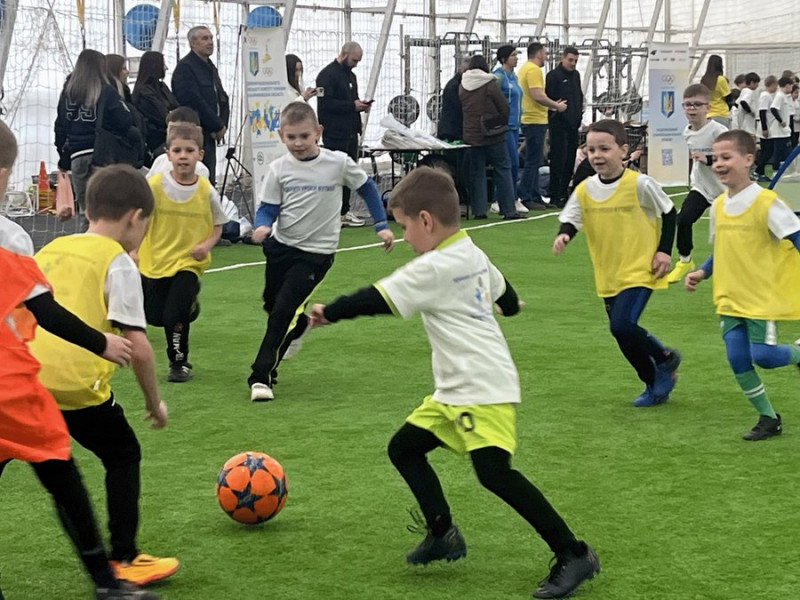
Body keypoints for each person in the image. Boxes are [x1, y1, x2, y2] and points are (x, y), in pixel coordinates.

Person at [308, 166, 600, 600]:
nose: (405, 237)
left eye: (405, 226)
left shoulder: (435, 266)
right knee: (404, 448)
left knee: (495, 474)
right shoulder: (470, 250)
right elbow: (504, 293)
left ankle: (573, 552)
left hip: (480, 385)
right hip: (456, 388)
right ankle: (442, 532)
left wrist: (329, 312)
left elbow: (377, 298)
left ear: (426, 221)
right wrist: (510, 307)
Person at [0, 122, 158, 600]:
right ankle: (113, 574)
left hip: (27, 376)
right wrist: (102, 345)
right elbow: (45, 311)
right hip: (22, 387)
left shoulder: (51, 246)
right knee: (74, 469)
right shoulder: (11, 238)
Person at [28, 164, 177, 588]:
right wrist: (154, 402)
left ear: (89, 210)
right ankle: (125, 556)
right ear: (135, 217)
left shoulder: (50, 249)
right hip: (77, 385)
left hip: (26, 382)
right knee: (123, 453)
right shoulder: (119, 262)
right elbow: (139, 347)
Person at [247, 102, 394, 401]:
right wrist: (262, 226)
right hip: (281, 248)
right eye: (291, 137)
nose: (298, 143)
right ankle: (301, 325)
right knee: (273, 305)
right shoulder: (279, 169)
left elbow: (366, 188)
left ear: (318, 132)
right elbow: (268, 208)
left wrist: (380, 224)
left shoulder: (337, 163)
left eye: (304, 136)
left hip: (316, 254)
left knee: (282, 313)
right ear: (281, 136)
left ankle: (261, 377)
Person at [553, 119, 680, 407]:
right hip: (608, 272)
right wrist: (564, 235)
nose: (597, 155)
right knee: (623, 336)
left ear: (623, 150)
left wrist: (663, 251)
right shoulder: (585, 189)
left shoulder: (640, 184)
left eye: (604, 149)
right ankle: (653, 382)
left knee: (621, 326)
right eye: (591, 150)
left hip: (640, 268)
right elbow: (572, 217)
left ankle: (664, 358)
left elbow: (670, 212)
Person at [684, 130, 800, 441]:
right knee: (737, 359)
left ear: (748, 160)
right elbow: (724, 247)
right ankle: (768, 417)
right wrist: (703, 272)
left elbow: (795, 235)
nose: (719, 164)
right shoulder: (719, 204)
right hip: (728, 296)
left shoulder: (766, 202)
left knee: (763, 356)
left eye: (726, 157)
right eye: (715, 158)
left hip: (760, 296)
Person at [138, 123, 225, 382]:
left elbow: (218, 225)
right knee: (155, 315)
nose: (183, 156)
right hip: (155, 261)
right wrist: (133, 249)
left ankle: (178, 363)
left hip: (188, 263)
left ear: (200, 154)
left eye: (189, 150)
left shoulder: (206, 190)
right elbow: (140, 220)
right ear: (168, 154)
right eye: (177, 151)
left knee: (173, 315)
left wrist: (205, 246)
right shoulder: (154, 186)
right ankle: (191, 308)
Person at [54, 49, 136, 213]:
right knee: (106, 211)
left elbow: (60, 128)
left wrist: (63, 158)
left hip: (77, 155)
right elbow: (125, 121)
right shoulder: (107, 91)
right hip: (102, 154)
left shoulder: (67, 93)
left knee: (87, 212)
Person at [666, 84, 728, 283]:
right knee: (683, 219)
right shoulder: (687, 132)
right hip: (702, 187)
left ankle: (728, 263)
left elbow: (730, 157)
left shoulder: (718, 131)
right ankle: (685, 261)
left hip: (725, 190)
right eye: (688, 105)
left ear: (707, 107)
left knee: (729, 232)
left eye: (697, 105)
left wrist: (708, 159)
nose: (692, 109)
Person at [459, 55, 521, 220]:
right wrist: (499, 122)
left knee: (477, 172)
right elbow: (504, 107)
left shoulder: (463, 85)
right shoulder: (489, 83)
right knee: (503, 168)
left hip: (472, 135)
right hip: (492, 133)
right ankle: (508, 209)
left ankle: (479, 210)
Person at [316, 41, 370, 227]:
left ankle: (344, 210)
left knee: (348, 172)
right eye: (354, 60)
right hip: (334, 133)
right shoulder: (326, 75)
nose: (356, 64)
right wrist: (351, 106)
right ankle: (333, 212)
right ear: (345, 54)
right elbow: (325, 104)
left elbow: (352, 101)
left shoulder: (351, 76)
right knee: (335, 174)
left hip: (351, 132)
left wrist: (360, 106)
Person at [172, 25, 230, 185]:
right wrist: (216, 125)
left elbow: (222, 98)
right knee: (199, 179)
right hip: (196, 135)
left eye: (211, 38)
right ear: (192, 43)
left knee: (208, 180)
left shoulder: (210, 67)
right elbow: (193, 102)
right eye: (205, 38)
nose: (210, 42)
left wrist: (222, 125)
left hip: (211, 135)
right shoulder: (186, 68)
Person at [517, 42, 567, 210]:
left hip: (531, 118)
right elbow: (537, 95)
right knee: (533, 160)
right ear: (538, 54)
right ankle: (526, 196)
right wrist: (556, 106)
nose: (546, 57)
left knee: (534, 160)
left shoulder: (525, 69)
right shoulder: (533, 70)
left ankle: (534, 195)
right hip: (534, 120)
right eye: (545, 53)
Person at [545, 47, 584, 208]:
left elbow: (578, 96)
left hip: (573, 125)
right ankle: (554, 194)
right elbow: (548, 100)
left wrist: (579, 115)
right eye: (570, 60)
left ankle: (563, 193)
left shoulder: (576, 75)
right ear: (563, 58)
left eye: (575, 60)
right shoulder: (553, 76)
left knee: (569, 160)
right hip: (558, 125)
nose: (573, 63)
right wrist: (555, 112)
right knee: (558, 160)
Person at [492, 45, 528, 214]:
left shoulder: (514, 77)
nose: (516, 58)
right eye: (513, 55)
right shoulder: (499, 77)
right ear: (504, 59)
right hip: (504, 126)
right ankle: (499, 198)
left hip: (515, 126)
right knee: (510, 162)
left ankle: (511, 197)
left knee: (514, 163)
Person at [133, 51, 180, 159]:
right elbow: (163, 115)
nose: (166, 68)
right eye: (163, 64)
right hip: (156, 140)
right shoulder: (144, 92)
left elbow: (177, 109)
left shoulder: (161, 86)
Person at [755, 75, 778, 182]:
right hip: (766, 128)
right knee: (767, 151)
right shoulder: (765, 96)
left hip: (769, 127)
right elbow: (762, 112)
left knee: (767, 150)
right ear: (772, 84)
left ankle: (760, 171)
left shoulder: (768, 95)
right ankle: (758, 171)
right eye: (776, 85)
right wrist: (765, 128)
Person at [768, 77, 794, 169]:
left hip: (784, 131)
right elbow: (773, 108)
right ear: (787, 85)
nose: (791, 88)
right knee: (779, 152)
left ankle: (787, 169)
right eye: (791, 86)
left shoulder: (784, 96)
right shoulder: (780, 96)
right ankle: (776, 170)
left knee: (785, 152)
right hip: (779, 131)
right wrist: (781, 121)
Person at [701, 55, 731, 127]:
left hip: (708, 114)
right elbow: (728, 97)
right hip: (721, 113)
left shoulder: (704, 80)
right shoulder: (721, 79)